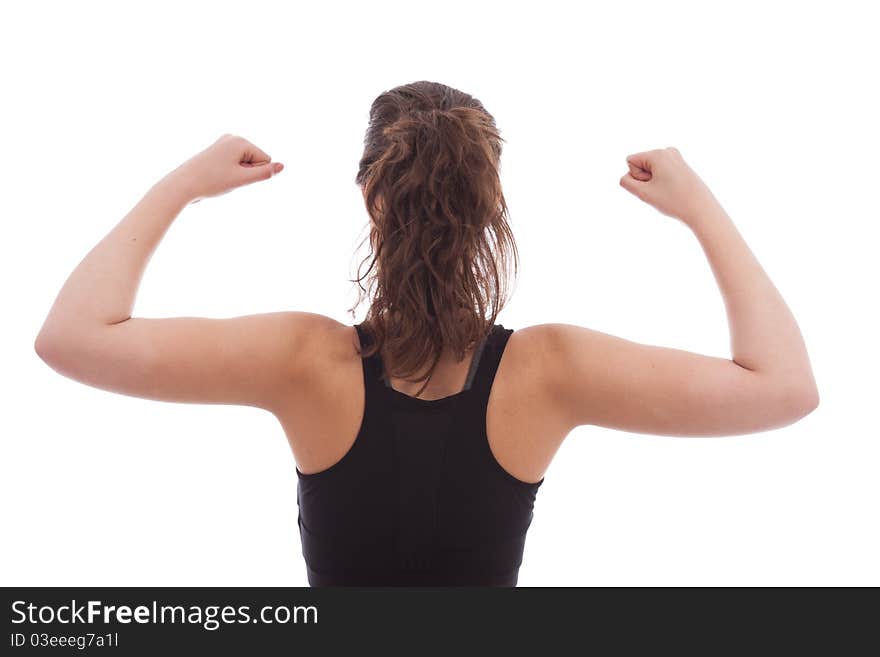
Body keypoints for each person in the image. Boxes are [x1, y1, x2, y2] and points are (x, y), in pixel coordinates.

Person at [34, 81, 819, 586]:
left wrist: (183, 186)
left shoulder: (303, 361)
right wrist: (701, 206)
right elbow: (784, 387)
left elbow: (71, 334)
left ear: (369, 194)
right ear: (489, 208)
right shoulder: (549, 371)